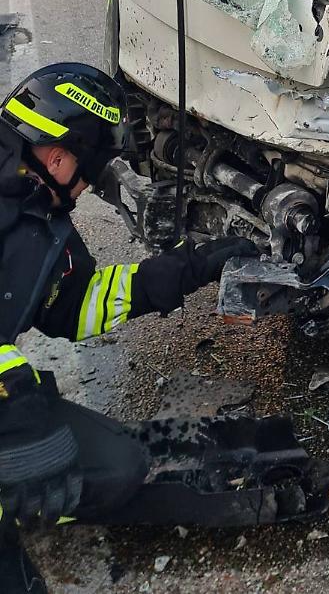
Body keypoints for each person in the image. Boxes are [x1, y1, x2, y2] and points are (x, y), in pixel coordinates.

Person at [0, 63, 256, 592]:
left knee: (118, 467)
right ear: (57, 154)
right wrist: (15, 401)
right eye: (91, 165)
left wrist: (187, 269)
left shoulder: (43, 220)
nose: (92, 181)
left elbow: (77, 304)